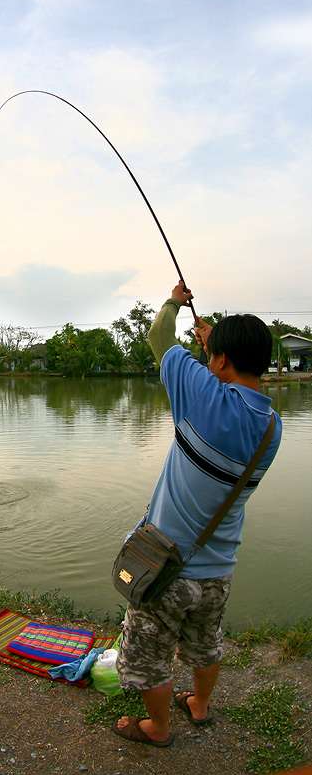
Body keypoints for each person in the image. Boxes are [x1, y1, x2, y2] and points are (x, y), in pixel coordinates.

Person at [113, 283, 282, 748]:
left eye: (214, 356)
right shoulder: (273, 426)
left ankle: (158, 728)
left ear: (222, 361)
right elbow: (227, 385)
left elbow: (159, 338)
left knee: (147, 655)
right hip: (219, 569)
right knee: (205, 644)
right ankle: (200, 706)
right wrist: (216, 350)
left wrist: (173, 302)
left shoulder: (202, 394)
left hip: (167, 567)